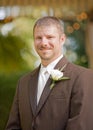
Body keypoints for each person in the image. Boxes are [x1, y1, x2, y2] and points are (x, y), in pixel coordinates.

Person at [6, 16, 93, 130]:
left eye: (49, 37)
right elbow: (13, 126)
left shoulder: (83, 77)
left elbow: (81, 126)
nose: (44, 43)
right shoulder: (23, 82)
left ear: (62, 39)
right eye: (38, 38)